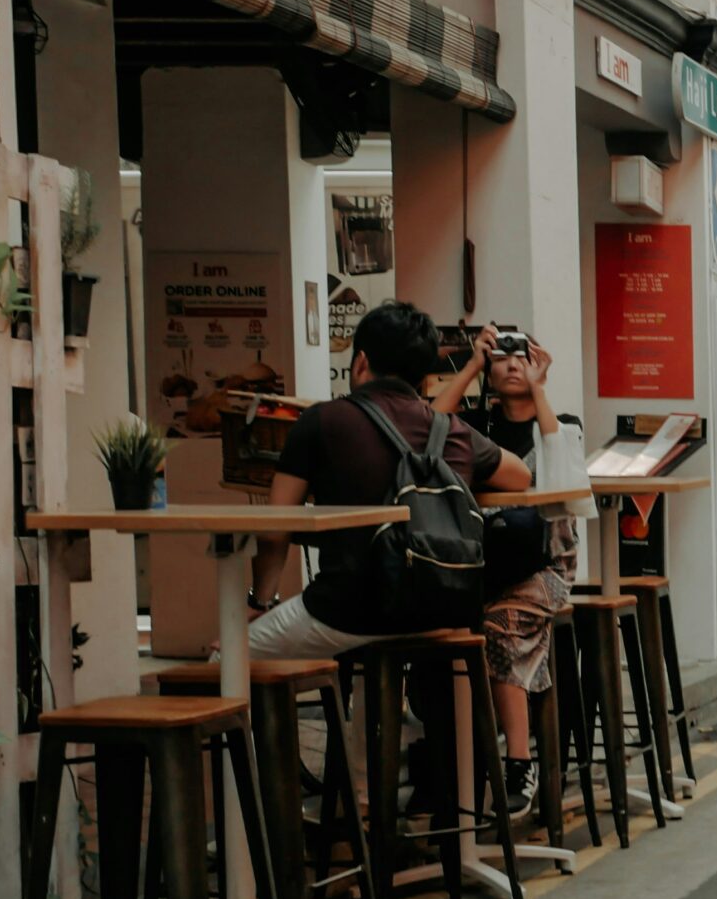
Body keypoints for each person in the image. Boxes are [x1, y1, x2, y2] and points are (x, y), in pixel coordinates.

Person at [249, 302, 529, 659]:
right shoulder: (451, 431)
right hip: (444, 607)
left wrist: (261, 601)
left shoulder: (321, 421)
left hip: (347, 613)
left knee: (226, 661)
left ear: (361, 362)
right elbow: (519, 474)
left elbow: (275, 530)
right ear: (423, 373)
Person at [434, 324, 581, 818]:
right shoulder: (475, 425)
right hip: (476, 566)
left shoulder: (562, 423)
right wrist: (471, 364)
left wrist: (540, 391)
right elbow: (429, 424)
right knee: (434, 633)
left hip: (544, 567)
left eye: (523, 355)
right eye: (502, 357)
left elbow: (560, 478)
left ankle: (519, 761)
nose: (513, 363)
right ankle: (448, 770)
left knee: (500, 625)